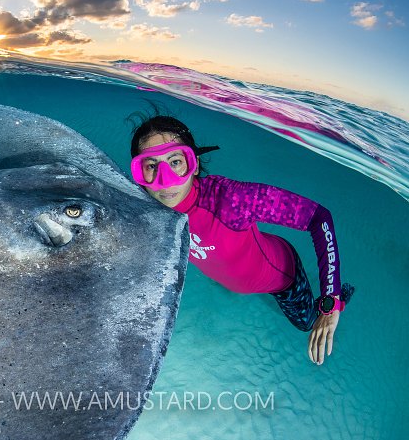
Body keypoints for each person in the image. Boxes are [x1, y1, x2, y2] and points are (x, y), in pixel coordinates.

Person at [128, 110, 354, 365]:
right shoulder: (149, 208)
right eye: (151, 166)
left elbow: (318, 218)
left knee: (306, 323)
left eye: (176, 162)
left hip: (282, 276)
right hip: (239, 268)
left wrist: (330, 301)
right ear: (139, 174)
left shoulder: (231, 201)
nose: (165, 181)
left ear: (195, 165)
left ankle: (343, 294)